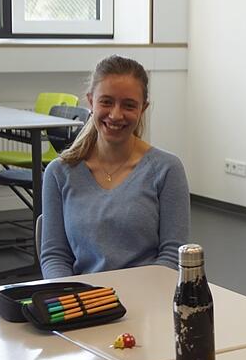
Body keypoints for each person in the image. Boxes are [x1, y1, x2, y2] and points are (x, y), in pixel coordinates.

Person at [40, 55, 190, 278]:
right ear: (91, 101)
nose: (116, 114)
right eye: (106, 102)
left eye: (129, 105)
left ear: (143, 108)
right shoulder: (59, 172)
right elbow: (55, 256)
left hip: (148, 300)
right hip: (83, 303)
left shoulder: (167, 169)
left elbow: (172, 255)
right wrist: (70, 297)